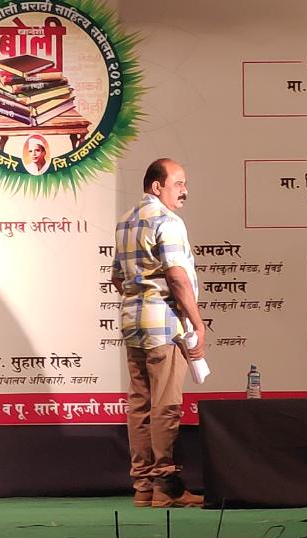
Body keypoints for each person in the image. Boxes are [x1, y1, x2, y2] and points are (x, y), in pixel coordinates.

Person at [111, 158, 205, 508]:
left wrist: (141, 294)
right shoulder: (168, 221)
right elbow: (178, 277)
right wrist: (197, 323)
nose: (185, 191)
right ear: (156, 186)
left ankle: (143, 487)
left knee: (140, 405)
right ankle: (167, 486)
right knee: (166, 405)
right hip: (163, 325)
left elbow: (117, 277)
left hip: (132, 322)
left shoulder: (124, 221)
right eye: (178, 183)